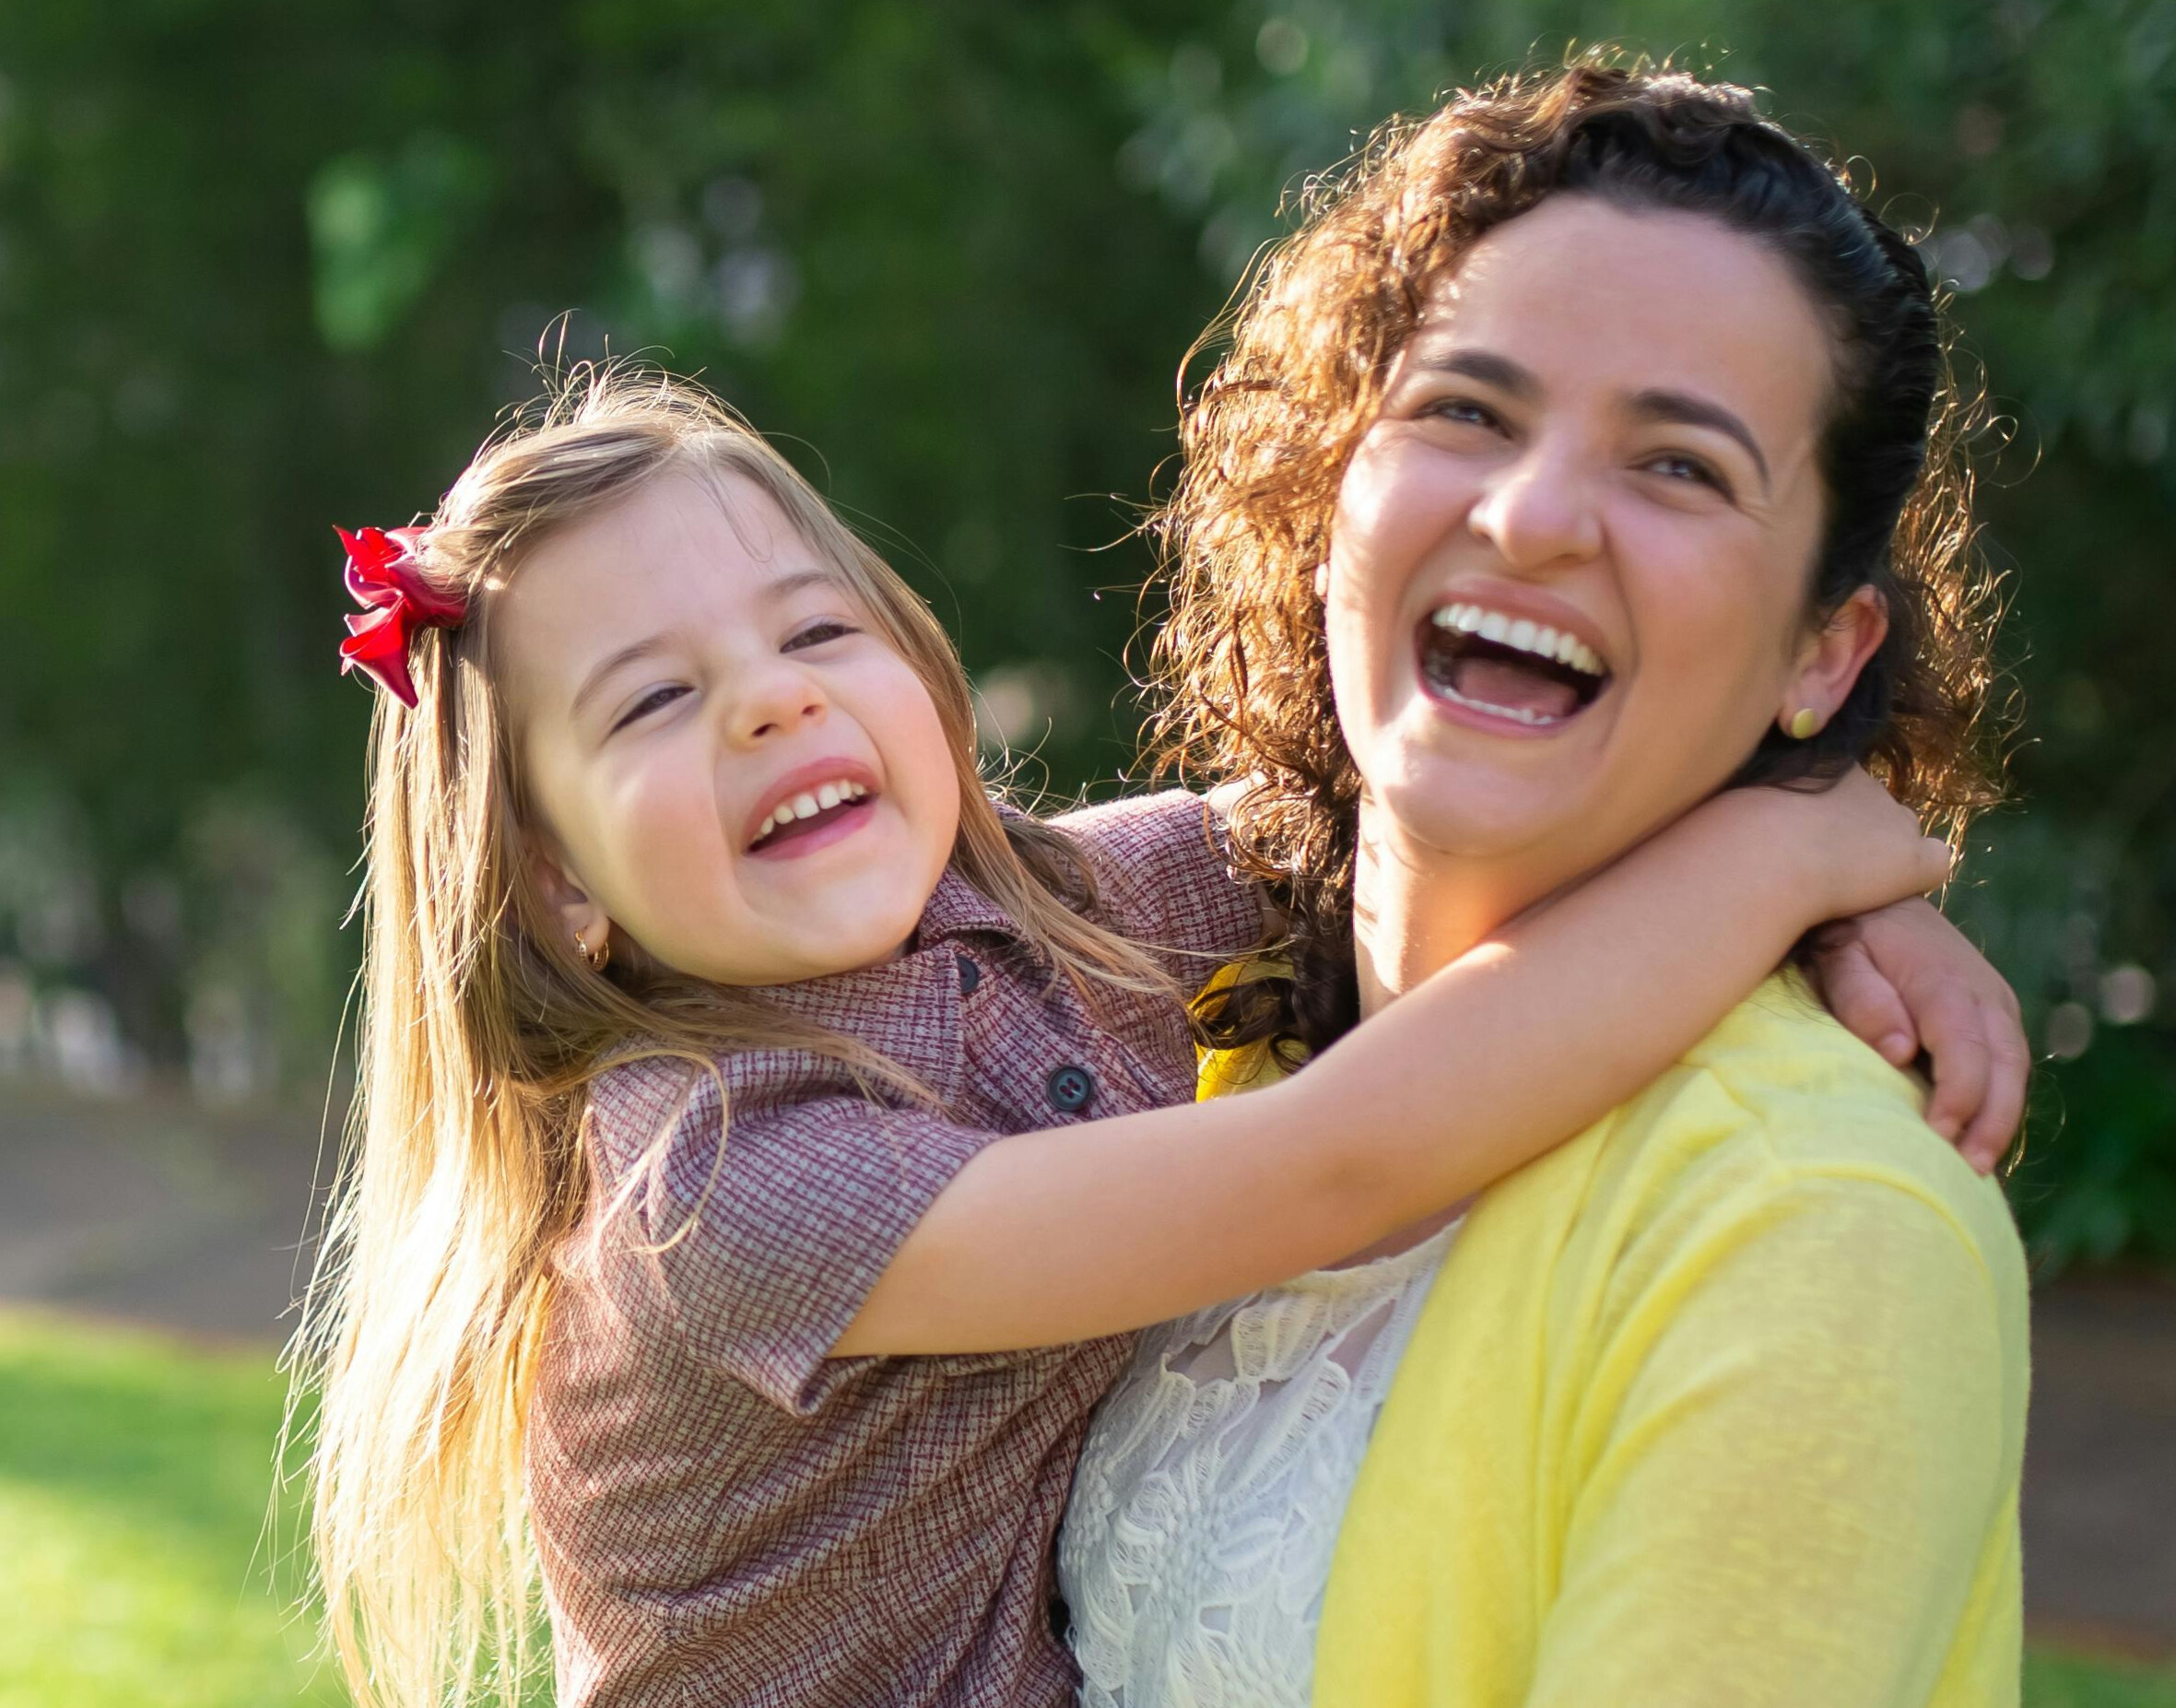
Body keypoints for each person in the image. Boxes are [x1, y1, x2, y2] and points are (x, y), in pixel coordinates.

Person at [298, 369, 2017, 1708]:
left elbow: (1508, 812)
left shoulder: (1104, 897)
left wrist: (1845, 894)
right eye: (654, 701)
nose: (769, 699)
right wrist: (1785, 852)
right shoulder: (719, 1186)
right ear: (548, 873)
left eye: (817, 629)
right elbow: (1328, 1164)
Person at [1061, 61, 2029, 1708]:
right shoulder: (1177, 1010)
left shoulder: (1813, 1223)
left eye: (1678, 468)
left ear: (1823, 652)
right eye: (1466, 411)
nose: (1529, 518)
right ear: (1327, 494)